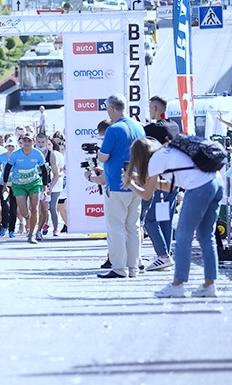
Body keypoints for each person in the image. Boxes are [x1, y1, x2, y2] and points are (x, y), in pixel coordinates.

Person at [124, 137, 221, 298]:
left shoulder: (155, 160)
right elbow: (169, 186)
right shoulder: (168, 152)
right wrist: (142, 180)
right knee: (206, 237)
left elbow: (147, 195)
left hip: (198, 187)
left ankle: (177, 284)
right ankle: (209, 284)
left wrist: (130, 184)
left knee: (183, 236)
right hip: (216, 182)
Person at [95, 93, 147, 278]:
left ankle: (119, 268)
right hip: (136, 182)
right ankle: (133, 267)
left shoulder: (113, 129)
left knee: (116, 227)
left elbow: (103, 156)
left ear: (111, 108)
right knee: (133, 227)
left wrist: (97, 155)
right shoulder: (138, 126)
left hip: (117, 183)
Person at [142, 95, 182, 271]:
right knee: (165, 218)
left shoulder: (151, 129)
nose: (149, 110)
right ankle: (166, 254)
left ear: (156, 109)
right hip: (175, 179)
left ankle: (163, 255)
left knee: (150, 218)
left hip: (159, 179)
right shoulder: (175, 125)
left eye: (150, 107)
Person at [4, 132, 47, 244]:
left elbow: (44, 170)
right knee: (23, 211)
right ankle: (28, 219)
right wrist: (4, 185)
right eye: (25, 141)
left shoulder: (37, 154)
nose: (27, 143)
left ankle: (31, 234)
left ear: (33, 142)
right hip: (19, 185)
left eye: (29, 141)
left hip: (34, 183)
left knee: (35, 209)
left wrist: (45, 186)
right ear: (21, 142)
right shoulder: (15, 154)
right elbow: (7, 168)